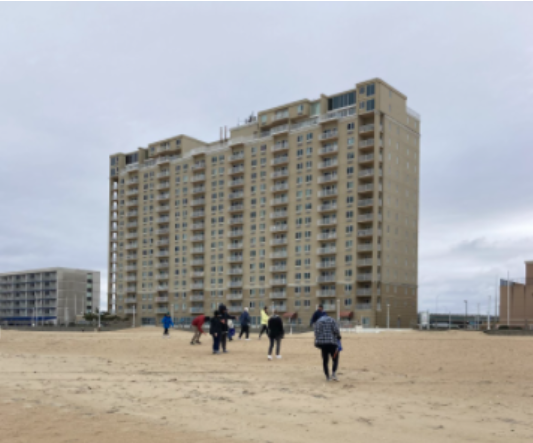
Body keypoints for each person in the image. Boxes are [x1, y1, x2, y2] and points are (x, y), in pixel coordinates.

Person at [314, 313, 342, 381]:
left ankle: (327, 377)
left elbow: (316, 333)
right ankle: (333, 373)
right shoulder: (332, 320)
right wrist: (338, 336)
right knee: (335, 359)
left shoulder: (318, 321)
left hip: (323, 344)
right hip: (332, 343)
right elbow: (336, 330)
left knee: (325, 361)